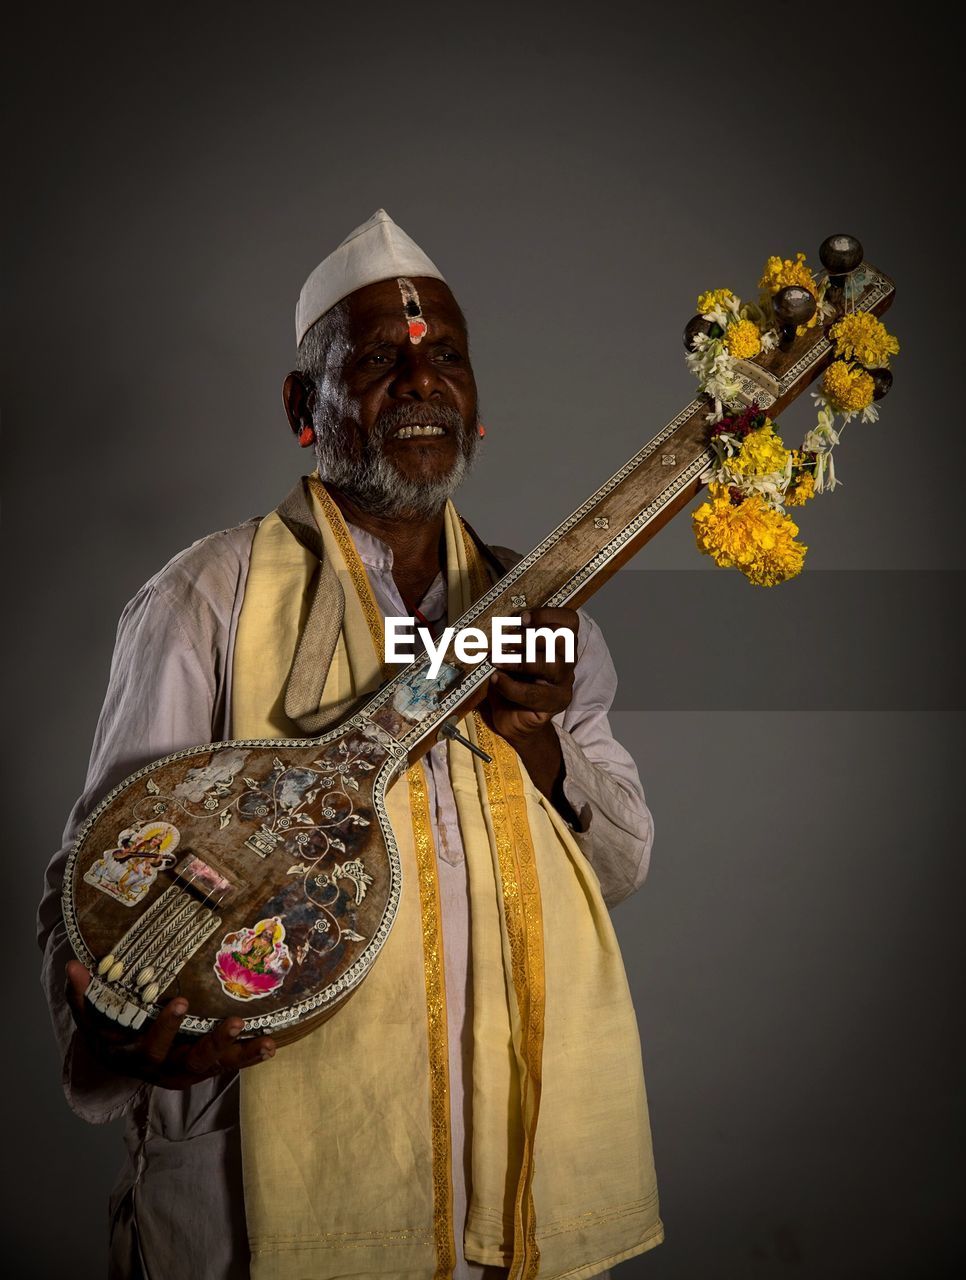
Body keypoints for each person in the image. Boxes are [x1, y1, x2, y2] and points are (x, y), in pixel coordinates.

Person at [38, 210, 663, 1280]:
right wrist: (106, 1019)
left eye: (447, 357)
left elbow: (625, 859)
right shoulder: (208, 595)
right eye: (377, 359)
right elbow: (100, 870)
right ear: (302, 406)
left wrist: (541, 743)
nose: (421, 381)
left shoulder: (548, 616)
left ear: (479, 408)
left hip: (505, 1191)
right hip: (258, 1200)